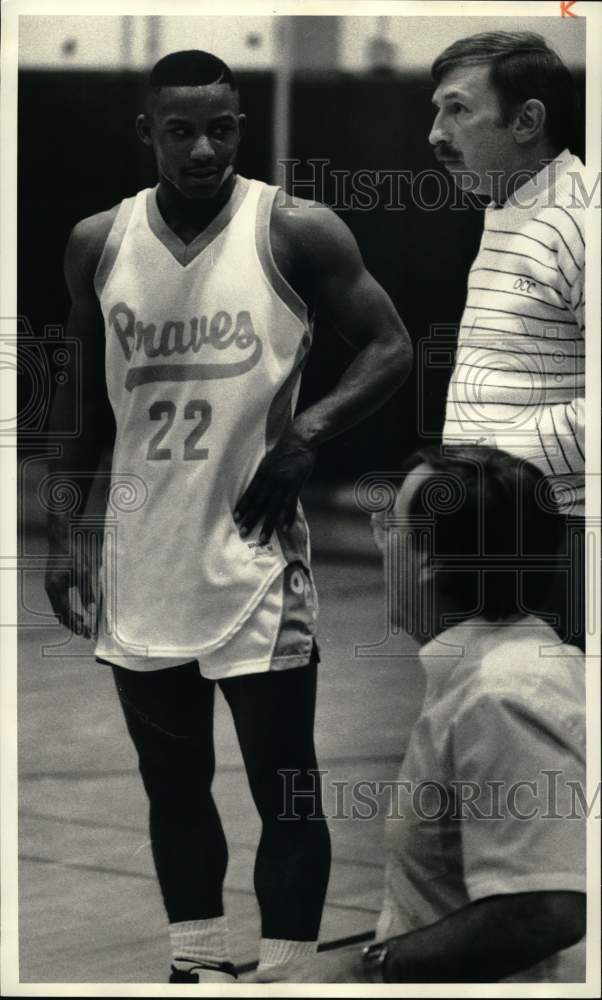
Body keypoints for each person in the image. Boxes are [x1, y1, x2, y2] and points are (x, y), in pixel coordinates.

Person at [43, 50, 413, 984]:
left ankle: (286, 975)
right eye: (181, 131)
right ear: (147, 133)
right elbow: (81, 408)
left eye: (221, 129)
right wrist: (66, 534)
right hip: (141, 559)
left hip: (256, 559)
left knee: (286, 788)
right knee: (172, 786)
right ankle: (198, 966)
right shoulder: (98, 242)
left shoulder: (294, 230)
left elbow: (390, 346)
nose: (204, 148)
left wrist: (309, 432)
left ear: (241, 127)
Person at [317, 444, 586, 983]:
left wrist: (364, 971)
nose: (379, 541)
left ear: (428, 562)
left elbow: (544, 910)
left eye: (388, 528)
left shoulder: (502, 694)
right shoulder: (499, 664)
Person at [428, 31, 586, 650]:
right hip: (495, 528)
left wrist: (485, 472)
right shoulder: (510, 205)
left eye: (458, 110)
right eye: (437, 110)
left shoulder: (583, 219)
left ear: (526, 121)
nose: (435, 134)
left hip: (559, 538)